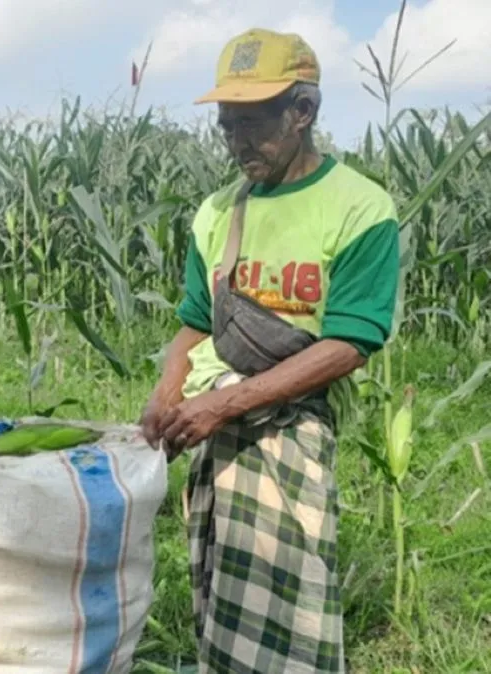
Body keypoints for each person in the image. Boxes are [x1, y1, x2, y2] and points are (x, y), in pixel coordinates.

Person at [140, 28, 400, 673]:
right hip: (213, 426)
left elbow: (352, 341)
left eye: (252, 124)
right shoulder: (215, 212)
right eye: (227, 127)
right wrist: (168, 390)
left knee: (289, 591)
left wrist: (227, 404)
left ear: (302, 111)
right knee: (223, 590)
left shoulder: (360, 208)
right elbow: (193, 322)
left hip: (288, 429)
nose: (237, 143)